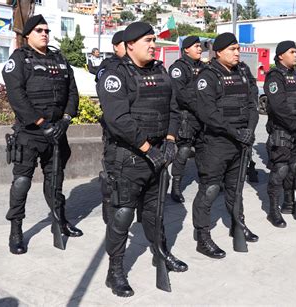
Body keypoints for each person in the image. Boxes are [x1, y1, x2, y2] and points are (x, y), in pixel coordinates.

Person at [97, 22, 187, 297]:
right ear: (130, 44)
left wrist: (170, 141)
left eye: (154, 40)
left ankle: (160, 252)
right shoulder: (115, 75)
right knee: (122, 216)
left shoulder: (160, 72)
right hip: (128, 159)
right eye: (148, 40)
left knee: (155, 213)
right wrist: (149, 149)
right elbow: (118, 119)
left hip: (158, 155)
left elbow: (174, 109)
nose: (153, 45)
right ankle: (115, 271)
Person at [2, 15, 82, 255]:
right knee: (22, 182)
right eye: (39, 30)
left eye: (47, 30)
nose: (44, 33)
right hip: (30, 133)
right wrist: (40, 122)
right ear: (28, 35)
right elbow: (16, 96)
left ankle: (60, 220)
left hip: (57, 132)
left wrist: (66, 120)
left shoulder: (59, 58)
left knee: (55, 180)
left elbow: (73, 92)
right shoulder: (19, 60)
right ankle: (16, 230)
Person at [192, 32, 259, 259]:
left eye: (238, 49)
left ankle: (238, 225)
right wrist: (235, 132)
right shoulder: (207, 75)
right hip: (217, 143)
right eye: (232, 49)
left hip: (240, 141)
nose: (237, 53)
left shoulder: (242, 72)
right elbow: (207, 113)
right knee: (210, 189)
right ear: (218, 52)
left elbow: (252, 103)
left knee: (236, 188)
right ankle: (202, 236)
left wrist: (249, 129)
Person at [264, 41, 296, 228]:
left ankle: (289, 203)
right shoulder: (275, 77)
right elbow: (278, 107)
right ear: (281, 55)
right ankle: (273, 211)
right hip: (282, 130)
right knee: (280, 171)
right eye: (292, 52)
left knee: (294, 169)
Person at [168, 36, 205, 203]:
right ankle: (176, 187)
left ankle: (208, 183)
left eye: (200, 46)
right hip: (186, 116)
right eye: (196, 46)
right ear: (186, 49)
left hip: (203, 116)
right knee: (183, 151)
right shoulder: (178, 68)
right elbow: (180, 94)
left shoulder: (204, 67)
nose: (200, 49)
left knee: (205, 151)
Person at [95, 30, 126, 225]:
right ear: (116, 46)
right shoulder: (108, 67)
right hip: (115, 131)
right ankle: (109, 212)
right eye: (125, 43)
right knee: (112, 176)